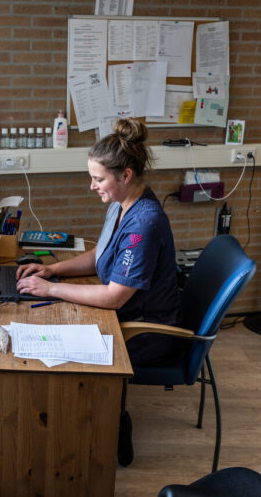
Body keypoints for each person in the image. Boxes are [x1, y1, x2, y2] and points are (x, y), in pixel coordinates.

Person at [15, 118, 185, 464]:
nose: (92, 186)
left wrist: (52, 288)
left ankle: (103, 427)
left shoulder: (145, 223)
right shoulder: (120, 206)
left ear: (125, 176)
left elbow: (113, 296)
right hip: (128, 314)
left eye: (98, 178)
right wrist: (53, 269)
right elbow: (100, 255)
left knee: (57, 344)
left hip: (146, 331)